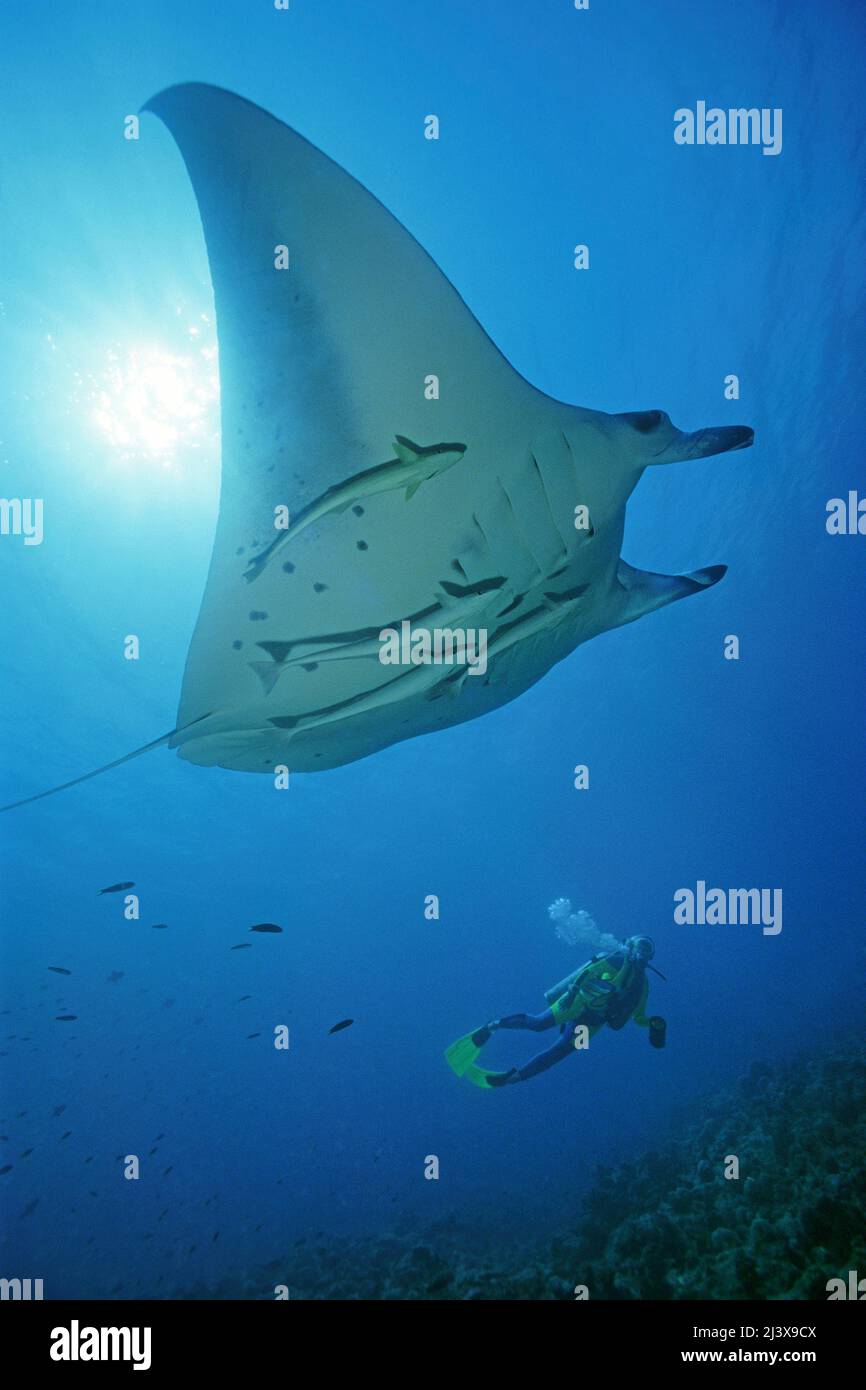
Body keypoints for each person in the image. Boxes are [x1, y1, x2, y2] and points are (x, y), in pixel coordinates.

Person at [445, 936, 666, 1088]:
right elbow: (587, 973)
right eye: (641, 946)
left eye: (647, 950)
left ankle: (516, 1076)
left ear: (651, 955)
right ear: (631, 946)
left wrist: (653, 1023)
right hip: (575, 1002)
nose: (643, 952)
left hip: (593, 1023)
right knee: (538, 1024)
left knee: (560, 1051)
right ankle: (493, 1025)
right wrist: (570, 994)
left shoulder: (642, 985)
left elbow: (638, 1015)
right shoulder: (615, 960)